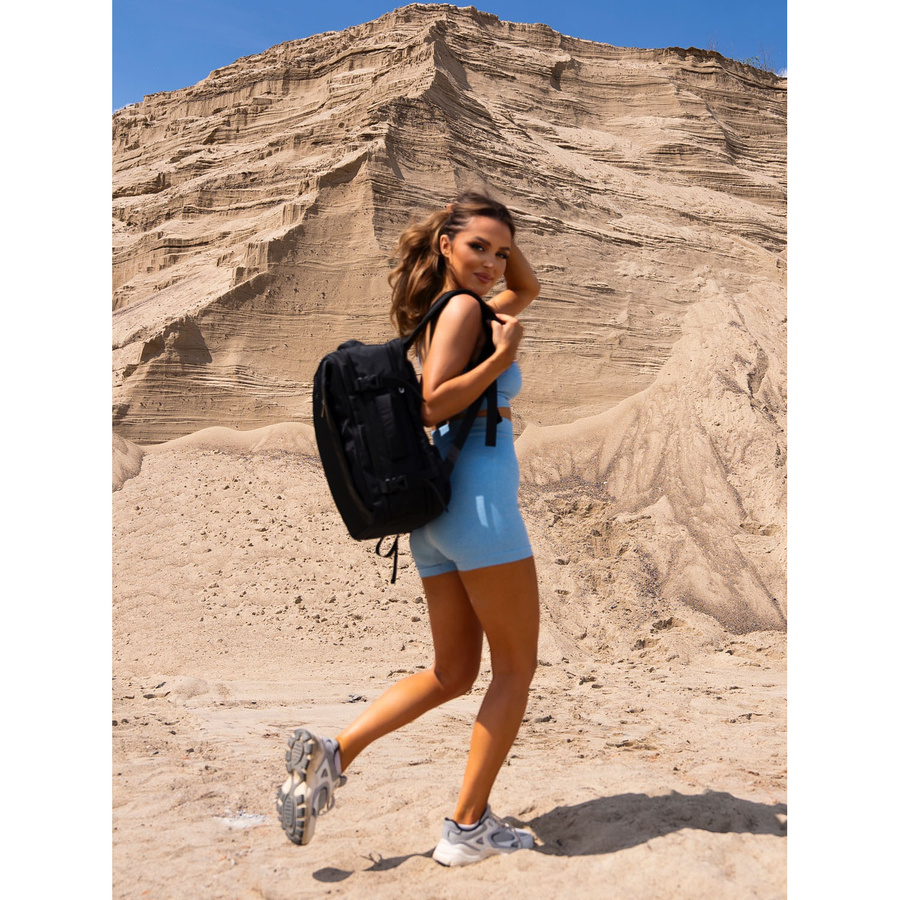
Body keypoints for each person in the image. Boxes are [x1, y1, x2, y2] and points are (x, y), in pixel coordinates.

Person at [277, 191, 542, 867]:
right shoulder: (464, 311)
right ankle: (467, 827)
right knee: (515, 668)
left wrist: (493, 243)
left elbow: (529, 288)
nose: (494, 264)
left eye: (501, 252)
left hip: (438, 516)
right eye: (477, 247)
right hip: (479, 508)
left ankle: (336, 752)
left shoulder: (449, 308)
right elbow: (430, 405)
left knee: (453, 672)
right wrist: (500, 361)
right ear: (446, 245)